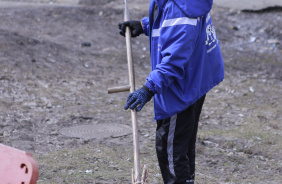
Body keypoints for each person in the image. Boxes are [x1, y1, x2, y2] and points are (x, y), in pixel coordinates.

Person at [118, 0, 224, 183]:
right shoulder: (181, 3)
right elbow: (171, 25)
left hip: (180, 89)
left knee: (171, 150)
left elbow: (174, 62)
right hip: (195, 77)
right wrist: (145, 25)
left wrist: (148, 89)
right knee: (183, 145)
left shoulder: (180, 9)